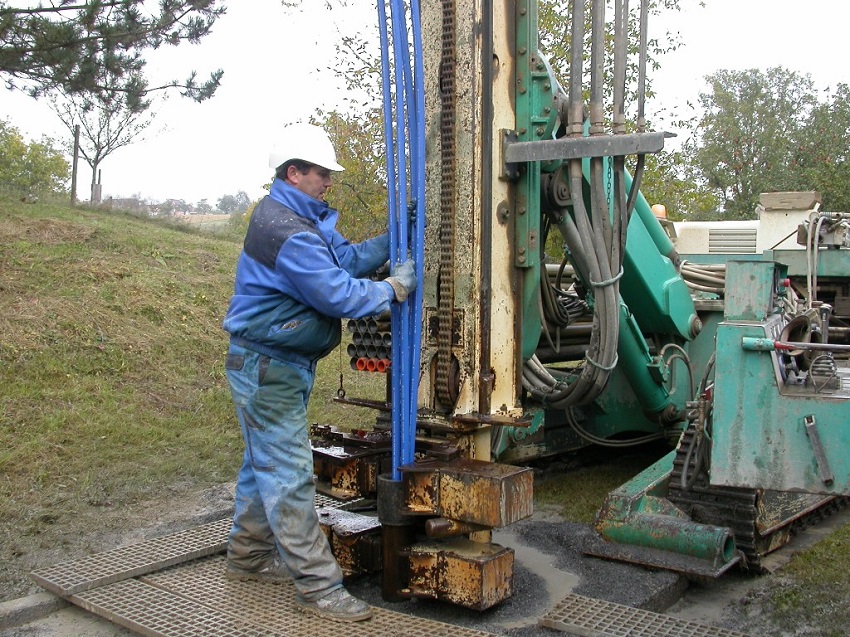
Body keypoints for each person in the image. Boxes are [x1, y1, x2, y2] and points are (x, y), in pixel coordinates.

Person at [221, 123, 416, 622]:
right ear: (294, 172)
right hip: (269, 368)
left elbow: (345, 259)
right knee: (288, 476)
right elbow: (339, 293)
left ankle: (246, 558)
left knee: (259, 465)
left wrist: (399, 234)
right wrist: (393, 289)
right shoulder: (285, 231)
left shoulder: (297, 219)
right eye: (322, 173)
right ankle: (319, 588)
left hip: (275, 365)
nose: (329, 181)